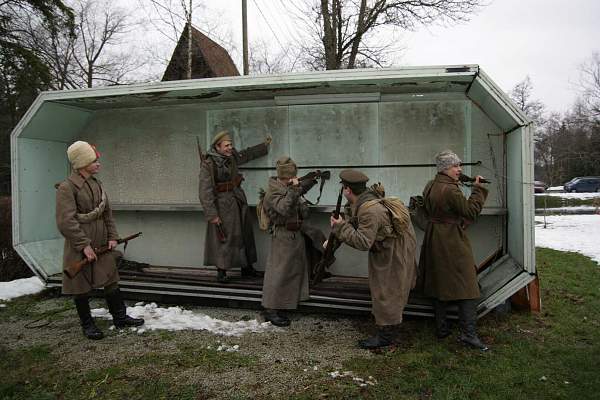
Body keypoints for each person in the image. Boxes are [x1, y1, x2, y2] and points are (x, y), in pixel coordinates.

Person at [56, 141, 144, 340]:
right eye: (94, 160)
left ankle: (120, 318)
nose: (98, 163)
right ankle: (87, 325)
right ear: (82, 162)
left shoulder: (96, 183)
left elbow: (107, 214)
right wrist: (83, 245)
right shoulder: (67, 188)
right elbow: (65, 221)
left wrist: (112, 236)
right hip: (80, 243)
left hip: (102, 241)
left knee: (111, 279)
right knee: (80, 286)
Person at [329, 170, 418, 349]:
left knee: (387, 289)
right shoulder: (364, 200)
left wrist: (340, 228)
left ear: (347, 190)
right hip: (390, 248)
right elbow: (353, 222)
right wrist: (332, 238)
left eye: (342, 187)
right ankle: (389, 327)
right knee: (388, 288)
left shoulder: (369, 210)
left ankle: (386, 337)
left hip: (392, 251)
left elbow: (362, 242)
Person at [419, 150, 489, 351]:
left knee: (439, 282)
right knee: (468, 286)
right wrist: (477, 189)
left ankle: (442, 328)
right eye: (455, 166)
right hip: (451, 240)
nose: (459, 169)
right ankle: (469, 335)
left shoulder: (431, 185)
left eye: (459, 166)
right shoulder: (450, 190)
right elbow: (470, 212)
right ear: (445, 169)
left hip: (435, 237)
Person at [198, 130, 271, 283]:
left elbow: (245, 155)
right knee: (225, 238)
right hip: (222, 205)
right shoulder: (209, 164)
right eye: (226, 145)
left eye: (231, 144)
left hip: (237, 199)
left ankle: (247, 268)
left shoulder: (231, 158)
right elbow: (205, 191)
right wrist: (212, 215)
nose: (230, 147)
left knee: (244, 235)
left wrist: (264, 146)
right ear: (217, 147)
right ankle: (222, 270)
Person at [261, 156, 324, 327]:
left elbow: (303, 212)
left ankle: (283, 305)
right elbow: (283, 208)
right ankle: (270, 309)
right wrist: (296, 190)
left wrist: (303, 191)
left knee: (291, 272)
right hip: (283, 235)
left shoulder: (289, 188)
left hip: (295, 234)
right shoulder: (274, 191)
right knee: (278, 273)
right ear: (287, 176)